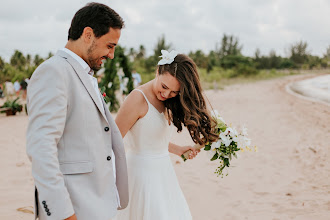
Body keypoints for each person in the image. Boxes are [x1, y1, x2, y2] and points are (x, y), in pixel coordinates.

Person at [26, 3, 128, 220]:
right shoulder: (53, 71)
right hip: (74, 209)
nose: (111, 55)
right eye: (110, 45)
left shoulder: (83, 73)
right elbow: (41, 148)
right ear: (88, 34)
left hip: (97, 205)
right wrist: (63, 214)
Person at [115, 50, 218, 220]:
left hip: (163, 172)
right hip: (140, 175)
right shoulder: (137, 99)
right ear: (157, 71)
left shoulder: (169, 101)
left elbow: (151, 137)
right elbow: (114, 139)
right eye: (164, 87)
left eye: (174, 92)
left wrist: (178, 149)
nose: (166, 94)